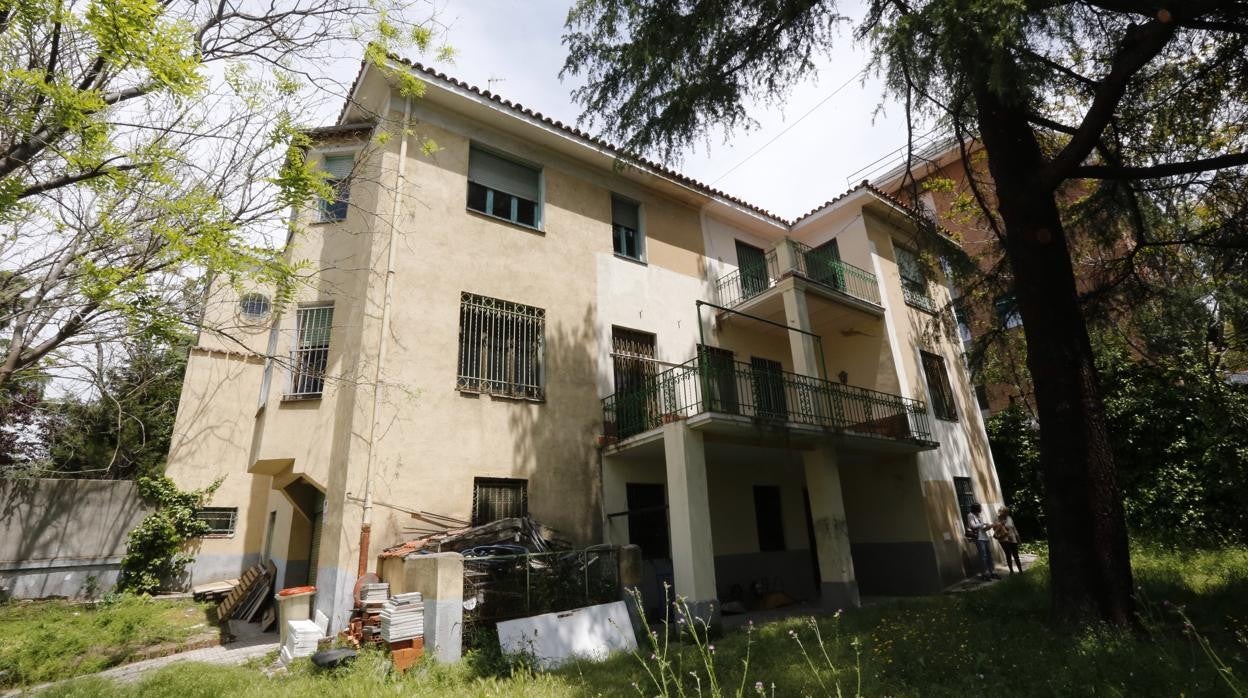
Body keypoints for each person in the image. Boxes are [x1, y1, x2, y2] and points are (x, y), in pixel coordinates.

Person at [966, 503, 999, 581]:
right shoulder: (970, 515)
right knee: (983, 557)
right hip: (978, 538)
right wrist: (983, 523)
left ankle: (992, 572)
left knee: (989, 556)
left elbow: (982, 528)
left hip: (985, 537)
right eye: (979, 508)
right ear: (976, 509)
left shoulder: (979, 516)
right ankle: (985, 574)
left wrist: (988, 527)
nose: (981, 510)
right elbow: (972, 526)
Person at [995, 506, 1023, 574]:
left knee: (1016, 555)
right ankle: (1011, 571)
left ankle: (1020, 570)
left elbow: (1014, 528)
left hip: (1012, 538)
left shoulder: (1009, 518)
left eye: (1004, 513)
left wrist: (1018, 537)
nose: (1003, 514)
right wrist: (1001, 524)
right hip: (1003, 539)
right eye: (1001, 512)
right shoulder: (997, 519)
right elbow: (995, 529)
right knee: (1008, 555)